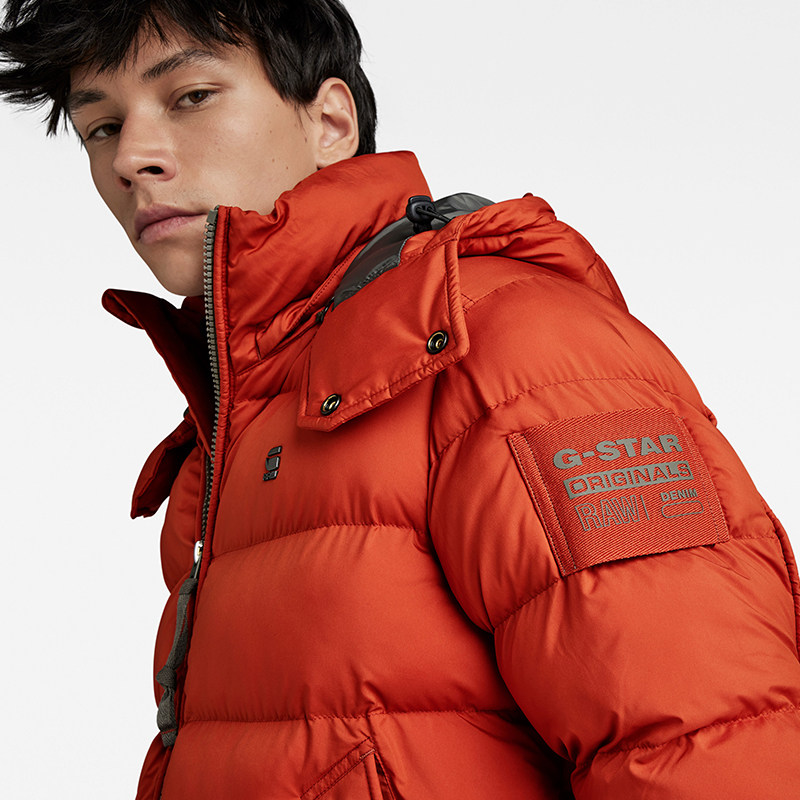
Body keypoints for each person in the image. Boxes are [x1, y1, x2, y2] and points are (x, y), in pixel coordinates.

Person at [2, 1, 799, 797]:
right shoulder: (245, 416)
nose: (131, 158)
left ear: (331, 122)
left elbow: (711, 750)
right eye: (102, 127)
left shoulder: (509, 352)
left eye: (191, 97)